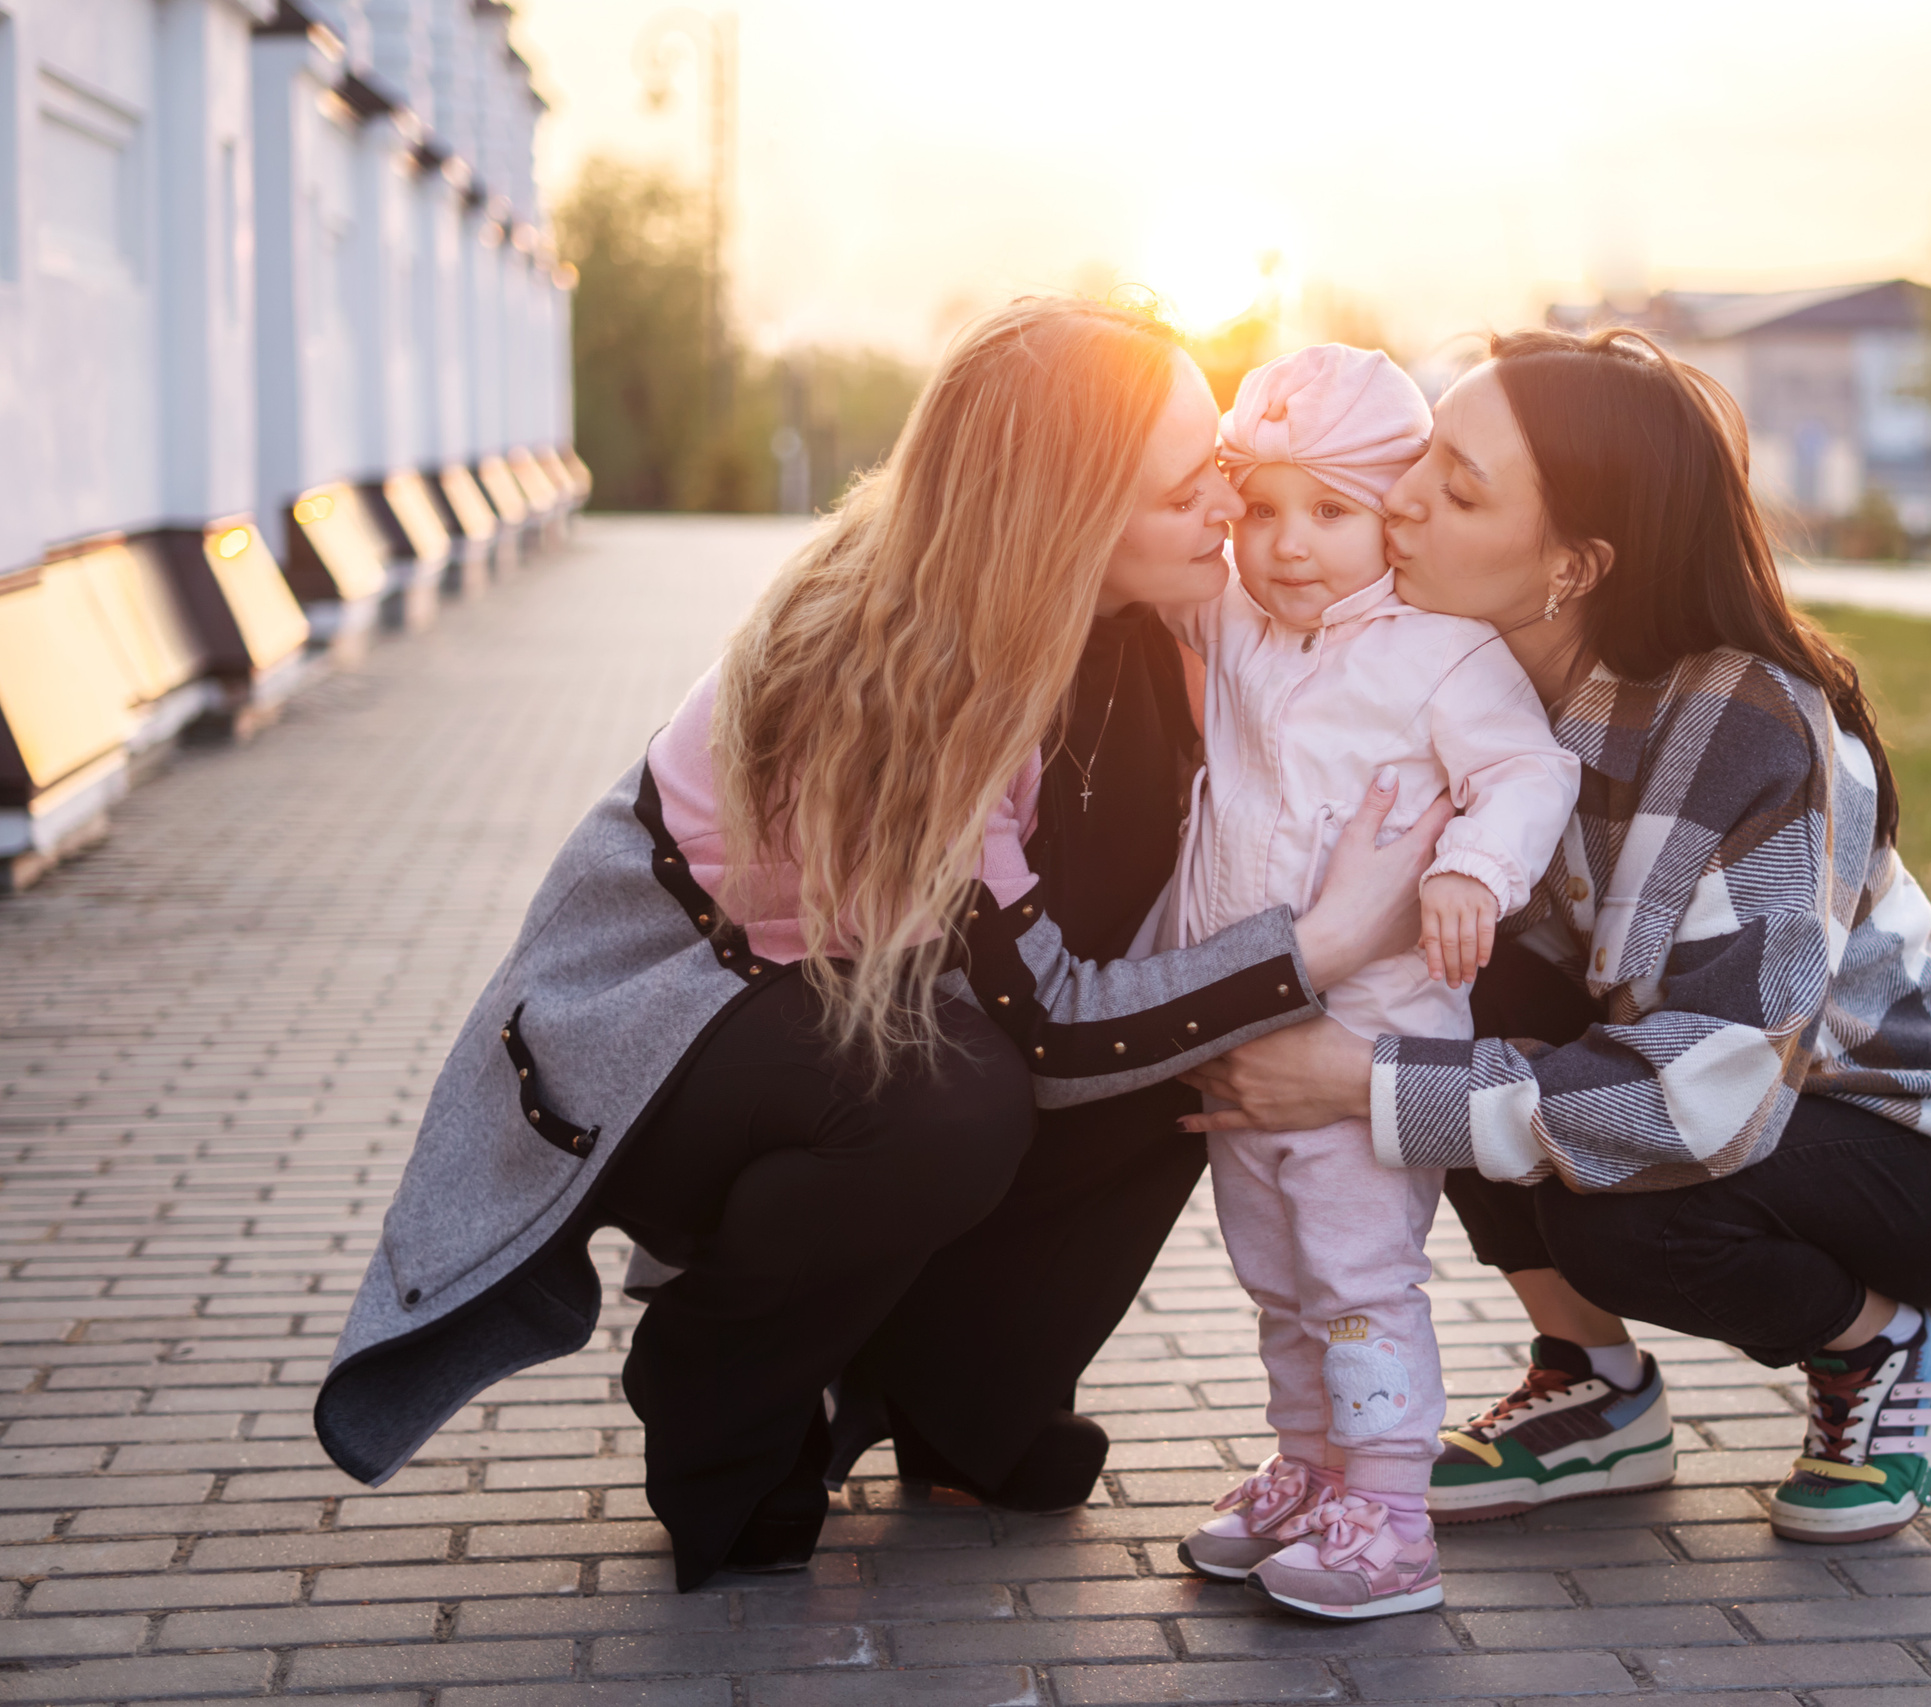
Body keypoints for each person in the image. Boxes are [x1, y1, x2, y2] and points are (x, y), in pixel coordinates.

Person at [313, 298, 1452, 1591]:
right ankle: (716, 1384)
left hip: (876, 998)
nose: (1230, 513)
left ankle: (956, 1397)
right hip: (673, 1019)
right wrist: (1320, 945)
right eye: (1188, 490)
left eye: (1227, 472)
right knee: (962, 1092)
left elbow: (1386, 656)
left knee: (1179, 1051)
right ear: (1069, 515)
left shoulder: (1136, 616)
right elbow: (1049, 1030)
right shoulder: (916, 660)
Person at [1183, 327, 1931, 1549]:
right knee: (1454, 983)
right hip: (1686, 1076)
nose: (1399, 500)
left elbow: (1706, 1093)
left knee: (1601, 1203)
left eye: (1458, 488)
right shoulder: (1452, 676)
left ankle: (1879, 1346)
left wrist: (1362, 1079)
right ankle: (1596, 1389)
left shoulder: (1747, 726)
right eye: (1419, 457)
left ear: (1572, 565)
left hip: (1882, 1142)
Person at [1158, 345, 1576, 1621]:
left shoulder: (1439, 653)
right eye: (1261, 507)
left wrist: (1470, 872)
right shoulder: (1234, 621)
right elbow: (1141, 569)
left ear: (1392, 509)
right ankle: (1309, 1469)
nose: (1287, 544)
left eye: (1331, 511)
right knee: (1276, 1280)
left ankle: (1390, 1514)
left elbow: (1527, 773)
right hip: (1244, 1038)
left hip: (1370, 1042)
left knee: (1357, 1281)